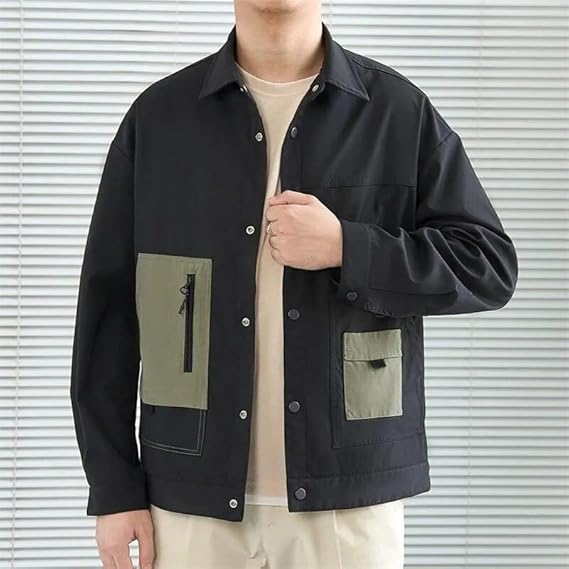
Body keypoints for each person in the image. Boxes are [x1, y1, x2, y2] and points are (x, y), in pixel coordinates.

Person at [69, 1, 518, 568]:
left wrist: (349, 248)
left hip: (348, 499)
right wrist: (113, 487)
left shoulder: (396, 113)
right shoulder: (159, 119)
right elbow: (109, 313)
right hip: (187, 497)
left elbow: (488, 264)